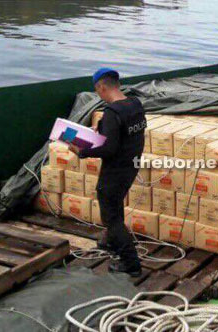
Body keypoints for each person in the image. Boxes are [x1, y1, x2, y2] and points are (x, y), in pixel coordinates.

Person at [72, 68, 146, 277]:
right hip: (131, 165)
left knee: (110, 217)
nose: (99, 96)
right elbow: (127, 133)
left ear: (102, 87)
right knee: (115, 205)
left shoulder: (113, 112)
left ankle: (131, 262)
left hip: (115, 170)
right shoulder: (135, 104)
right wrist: (103, 129)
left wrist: (82, 151)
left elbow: (109, 149)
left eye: (98, 92)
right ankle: (113, 243)